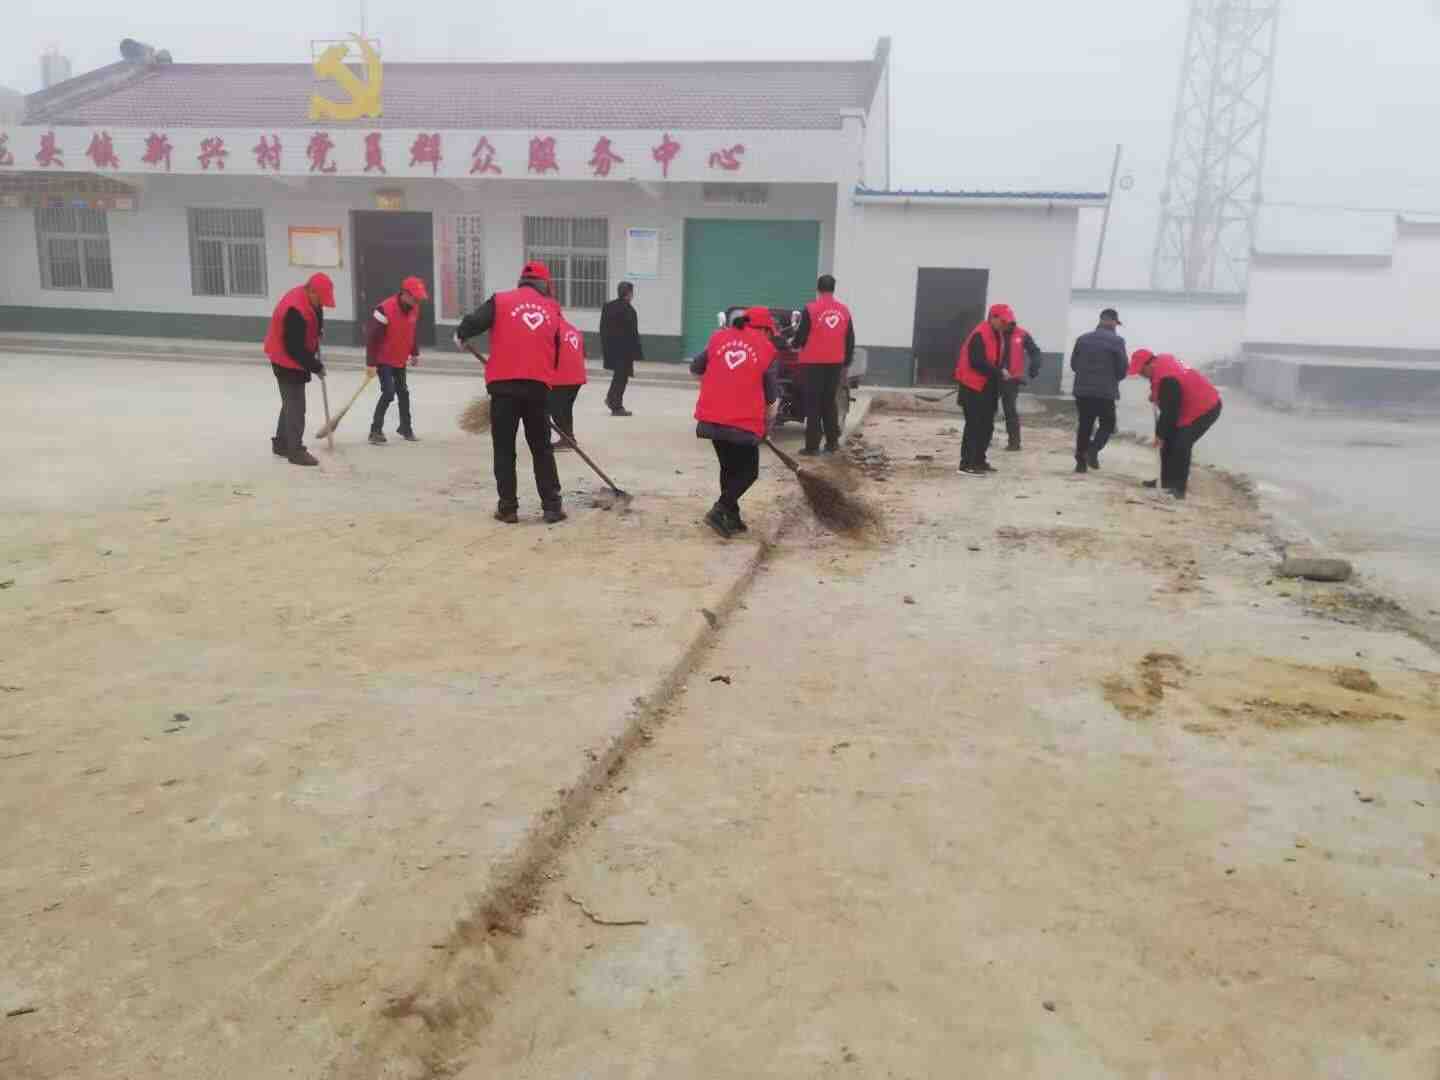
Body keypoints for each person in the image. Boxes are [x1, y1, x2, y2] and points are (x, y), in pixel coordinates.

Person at [455, 262, 566, 524]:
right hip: (537, 387)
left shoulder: (500, 301)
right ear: (545, 284)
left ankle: (508, 508)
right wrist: (547, 379)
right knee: (541, 448)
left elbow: (473, 322)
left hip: (504, 388)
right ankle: (551, 507)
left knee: (504, 449)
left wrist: (461, 335)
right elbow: (557, 349)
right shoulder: (552, 308)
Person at [690, 306, 780, 539]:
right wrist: (768, 425)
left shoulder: (719, 338)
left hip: (711, 418)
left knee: (729, 468)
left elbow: (695, 368)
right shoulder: (765, 349)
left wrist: (718, 382)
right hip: (743, 422)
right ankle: (719, 510)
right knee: (749, 472)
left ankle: (733, 517)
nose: (770, 337)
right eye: (770, 332)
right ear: (764, 329)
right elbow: (772, 399)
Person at [1128, 349, 1223, 500]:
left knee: (1181, 444)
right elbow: (1163, 388)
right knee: (1169, 441)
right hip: (1190, 405)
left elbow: (1170, 412)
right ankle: (1165, 481)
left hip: (1206, 408)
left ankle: (1179, 488)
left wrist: (1159, 435)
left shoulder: (1167, 379)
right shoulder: (1161, 362)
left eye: (1141, 371)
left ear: (1149, 364)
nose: (1140, 374)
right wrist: (1156, 394)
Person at [263, 272, 334, 467]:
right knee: (296, 406)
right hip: (285, 359)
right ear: (312, 291)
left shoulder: (309, 298)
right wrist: (316, 366)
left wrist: (318, 329)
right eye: (321, 299)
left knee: (290, 403)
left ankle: (281, 443)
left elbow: (317, 313)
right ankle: (295, 451)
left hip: (293, 355)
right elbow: (294, 348)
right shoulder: (294, 309)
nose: (322, 304)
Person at [953, 302, 1026, 475]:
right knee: (974, 426)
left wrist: (1002, 371)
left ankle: (979, 461)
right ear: (993, 317)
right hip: (972, 388)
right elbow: (977, 362)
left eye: (1007, 322)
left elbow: (994, 360)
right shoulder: (980, 334)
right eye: (1003, 321)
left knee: (987, 426)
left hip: (987, 387)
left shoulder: (997, 334)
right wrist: (999, 372)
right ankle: (966, 464)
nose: (1005, 325)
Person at [790, 274, 855, 456]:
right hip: (835, 363)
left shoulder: (811, 308)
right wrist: (846, 361)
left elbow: (802, 335)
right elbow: (850, 338)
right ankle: (832, 443)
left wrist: (794, 343)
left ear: (818, 289)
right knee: (829, 402)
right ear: (833, 289)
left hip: (813, 363)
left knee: (813, 403)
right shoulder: (844, 310)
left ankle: (812, 446)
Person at [366, 275, 428, 444]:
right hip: (383, 359)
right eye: (415, 298)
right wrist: (371, 364)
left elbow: (411, 331)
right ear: (405, 294)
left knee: (403, 393)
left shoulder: (414, 308)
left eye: (419, 298)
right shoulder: (384, 310)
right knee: (388, 393)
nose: (417, 302)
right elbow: (372, 339)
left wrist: (414, 352)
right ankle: (375, 431)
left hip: (400, 358)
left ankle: (405, 428)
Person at [1069, 307, 1128, 473]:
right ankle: (1093, 450)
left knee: (1085, 424)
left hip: (1082, 391)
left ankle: (1080, 463)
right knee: (1108, 424)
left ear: (1100, 320)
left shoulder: (1082, 339)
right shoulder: (1117, 341)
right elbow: (1122, 369)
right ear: (1113, 322)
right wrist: (1113, 379)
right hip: (1105, 391)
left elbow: (1074, 365)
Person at [996, 315, 1043, 451]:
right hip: (993, 376)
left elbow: (1035, 352)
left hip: (1012, 379)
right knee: (988, 409)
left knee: (1010, 410)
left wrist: (1035, 366)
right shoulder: (995, 332)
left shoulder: (1022, 334)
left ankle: (1014, 443)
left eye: (1009, 324)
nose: (1005, 326)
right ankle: (984, 438)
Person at [601, 282, 643, 416]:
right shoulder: (629, 310)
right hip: (624, 352)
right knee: (621, 378)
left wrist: (605, 347)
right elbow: (633, 334)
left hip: (610, 349)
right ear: (629, 294)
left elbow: (602, 328)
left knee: (618, 377)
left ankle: (611, 399)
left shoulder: (608, 306)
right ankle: (616, 406)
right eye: (632, 292)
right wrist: (637, 353)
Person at [549, 316, 587, 450]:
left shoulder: (551, 329)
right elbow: (583, 353)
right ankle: (569, 437)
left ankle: (567, 438)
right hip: (577, 376)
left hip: (562, 377)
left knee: (555, 409)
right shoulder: (573, 329)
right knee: (566, 408)